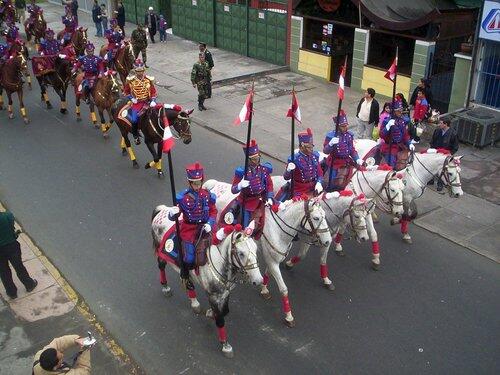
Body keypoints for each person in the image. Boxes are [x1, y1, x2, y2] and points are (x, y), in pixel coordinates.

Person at [168, 162, 217, 288]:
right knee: (189, 258)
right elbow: (174, 215)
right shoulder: (182, 197)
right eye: (195, 183)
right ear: (189, 183)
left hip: (205, 227)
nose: (197, 185)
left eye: (199, 182)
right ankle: (184, 274)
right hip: (189, 229)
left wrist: (210, 223)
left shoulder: (207, 195)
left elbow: (213, 211)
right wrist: (173, 212)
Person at [230, 140, 274, 228]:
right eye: (254, 159)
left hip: (262, 199)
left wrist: (269, 197)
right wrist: (240, 185)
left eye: (258, 158)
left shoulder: (264, 169)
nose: (257, 161)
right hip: (247, 202)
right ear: (248, 159)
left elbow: (269, 184)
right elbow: (233, 190)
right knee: (246, 226)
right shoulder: (242, 172)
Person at [0, 210, 38, 299]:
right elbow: (12, 229)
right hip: (12, 247)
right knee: (19, 266)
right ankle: (29, 284)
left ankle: (11, 292)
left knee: (4, 271)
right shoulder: (7, 216)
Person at [323, 110, 363, 191]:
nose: (346, 127)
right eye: (343, 126)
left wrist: (357, 159)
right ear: (337, 126)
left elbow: (351, 150)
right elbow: (325, 151)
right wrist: (330, 144)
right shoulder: (330, 136)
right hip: (335, 163)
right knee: (330, 182)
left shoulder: (349, 135)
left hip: (347, 161)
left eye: (346, 125)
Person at [122, 58, 157, 144]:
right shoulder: (131, 80)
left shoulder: (148, 79)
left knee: (157, 115)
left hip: (147, 102)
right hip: (136, 104)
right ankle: (135, 135)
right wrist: (131, 98)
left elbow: (154, 92)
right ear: (135, 71)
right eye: (138, 71)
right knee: (134, 120)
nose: (140, 73)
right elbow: (125, 92)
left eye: (141, 71)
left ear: (144, 70)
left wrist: (153, 100)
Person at [282, 128, 323, 199]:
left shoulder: (314, 156)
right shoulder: (294, 159)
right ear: (302, 146)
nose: (311, 149)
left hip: (314, 187)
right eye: (308, 147)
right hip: (299, 190)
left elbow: (320, 173)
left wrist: (319, 182)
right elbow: (286, 177)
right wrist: (288, 170)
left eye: (312, 146)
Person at [380, 101, 414, 170]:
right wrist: (387, 127)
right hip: (390, 147)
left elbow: (405, 135)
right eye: (398, 110)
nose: (400, 112)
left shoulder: (401, 121)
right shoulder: (387, 121)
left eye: (401, 110)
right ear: (393, 111)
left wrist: (409, 143)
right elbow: (381, 135)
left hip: (401, 145)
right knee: (391, 164)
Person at [430, 118, 459, 193]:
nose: (439, 125)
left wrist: (449, 154)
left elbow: (455, 147)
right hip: (435, 153)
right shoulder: (437, 131)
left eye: (441, 123)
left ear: (446, 124)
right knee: (433, 166)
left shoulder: (453, 134)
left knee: (442, 169)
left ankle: (440, 183)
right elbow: (432, 141)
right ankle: (431, 179)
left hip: (444, 155)